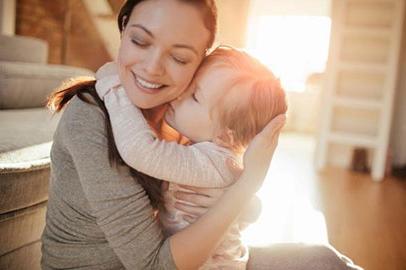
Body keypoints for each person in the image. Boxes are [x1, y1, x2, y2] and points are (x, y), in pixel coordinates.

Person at [42, 0, 362, 269]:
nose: (153, 68)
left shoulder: (181, 113)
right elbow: (155, 264)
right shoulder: (91, 116)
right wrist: (246, 185)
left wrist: (233, 198)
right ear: (123, 27)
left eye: (179, 57)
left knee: (322, 259)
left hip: (201, 255)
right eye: (140, 40)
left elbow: (244, 208)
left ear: (200, 61)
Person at [94, 46, 288, 269]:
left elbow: (141, 150)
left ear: (225, 135)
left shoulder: (210, 163)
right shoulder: (220, 158)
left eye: (195, 96)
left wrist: (114, 86)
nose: (179, 95)